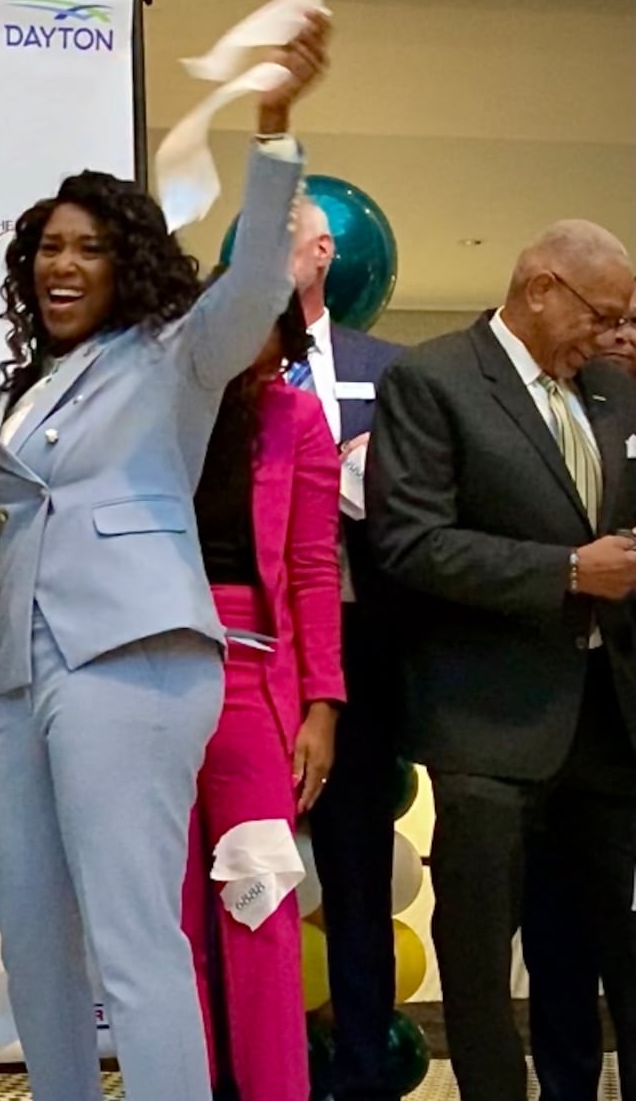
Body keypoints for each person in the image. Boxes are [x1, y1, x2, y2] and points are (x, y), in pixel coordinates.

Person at [0, 16, 329, 1099]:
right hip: (28, 678)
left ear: (127, 263)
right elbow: (7, 558)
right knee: (29, 932)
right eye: (46, 248)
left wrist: (272, 122)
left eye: (88, 246)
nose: (61, 264)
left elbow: (257, 277)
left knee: (132, 938)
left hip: (135, 659)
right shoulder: (12, 398)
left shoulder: (173, 357)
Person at [366, 220, 636, 1101]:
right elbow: (411, 545)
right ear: (540, 288)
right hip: (485, 725)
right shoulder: (431, 378)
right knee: (480, 959)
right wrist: (567, 570)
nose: (609, 339)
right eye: (600, 317)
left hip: (608, 720)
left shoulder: (612, 392)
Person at [182, 290, 341, 1101]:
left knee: (260, 902)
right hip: (151, 666)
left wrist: (321, 704)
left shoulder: (297, 420)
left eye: (269, 330)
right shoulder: (157, 406)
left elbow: (313, 566)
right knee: (169, 920)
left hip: (253, 674)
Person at [283, 198, 404, 1101]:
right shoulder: (220, 369)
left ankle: (364, 1070)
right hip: (244, 645)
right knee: (239, 869)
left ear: (325, 253)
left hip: (359, 645)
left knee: (356, 869)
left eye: (283, 234)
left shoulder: (389, 370)